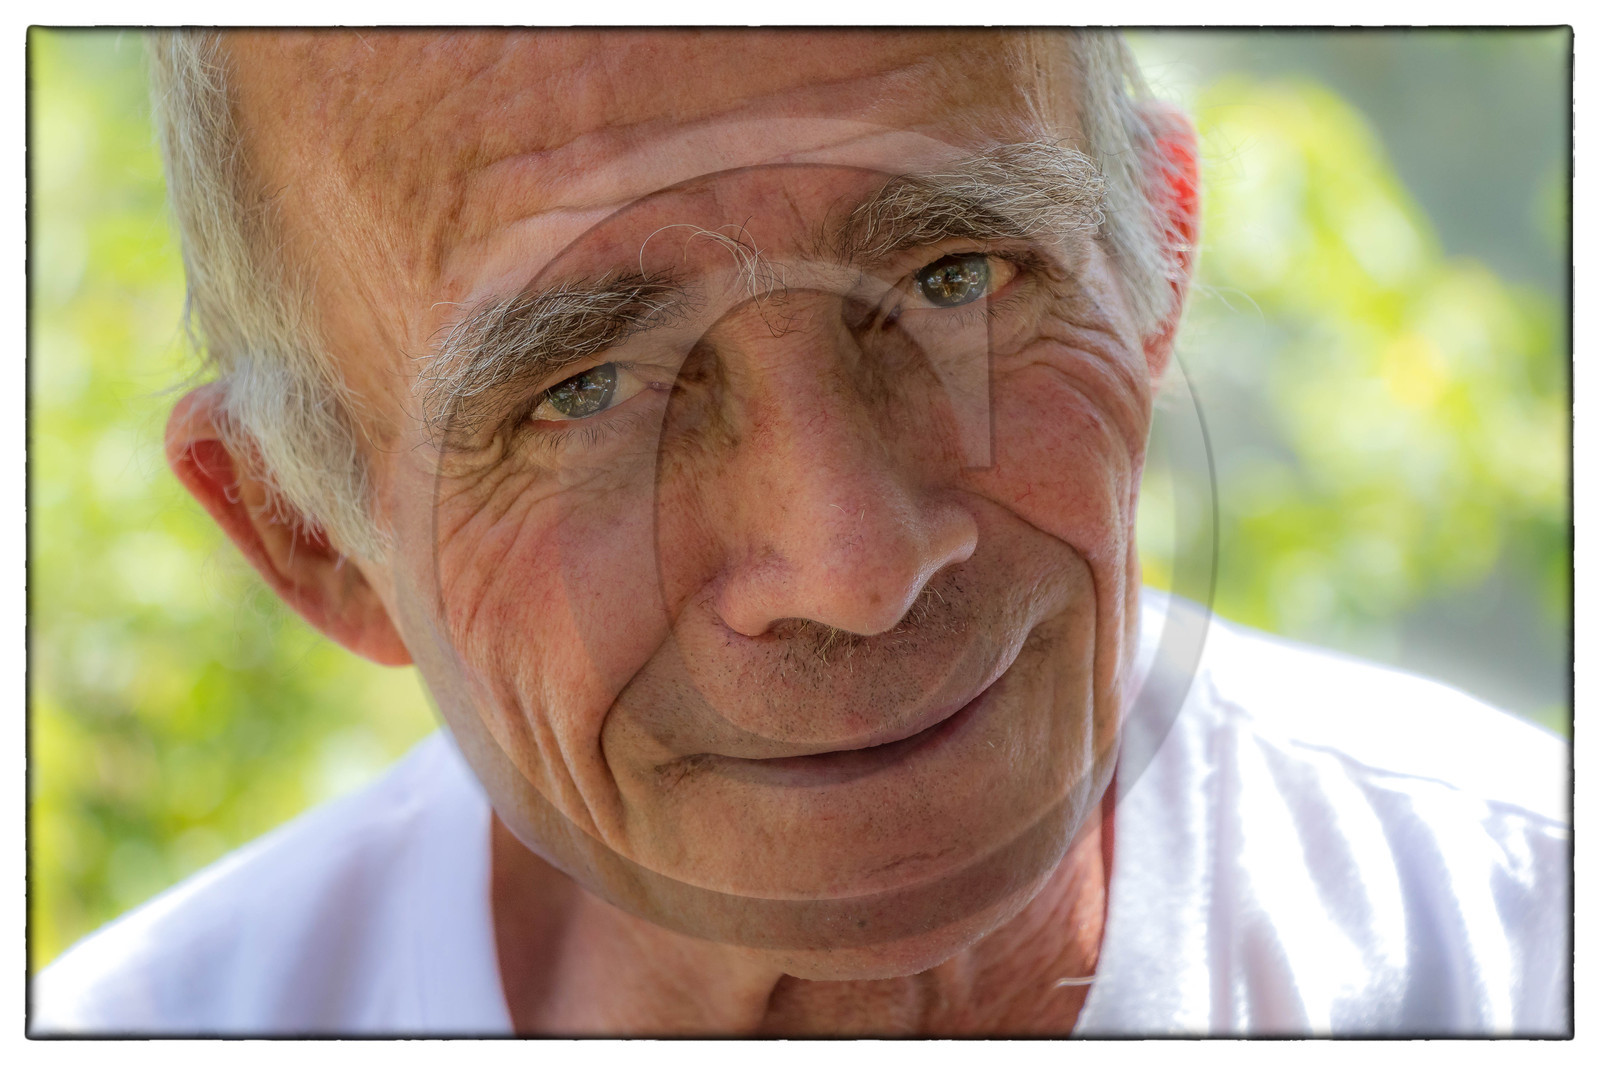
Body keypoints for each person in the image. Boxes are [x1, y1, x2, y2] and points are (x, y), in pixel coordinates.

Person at [30, 28, 1569, 1037]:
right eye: (584, 388)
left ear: (1150, 262)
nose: (858, 565)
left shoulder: (1533, 941)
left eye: (956, 276)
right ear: (310, 531)